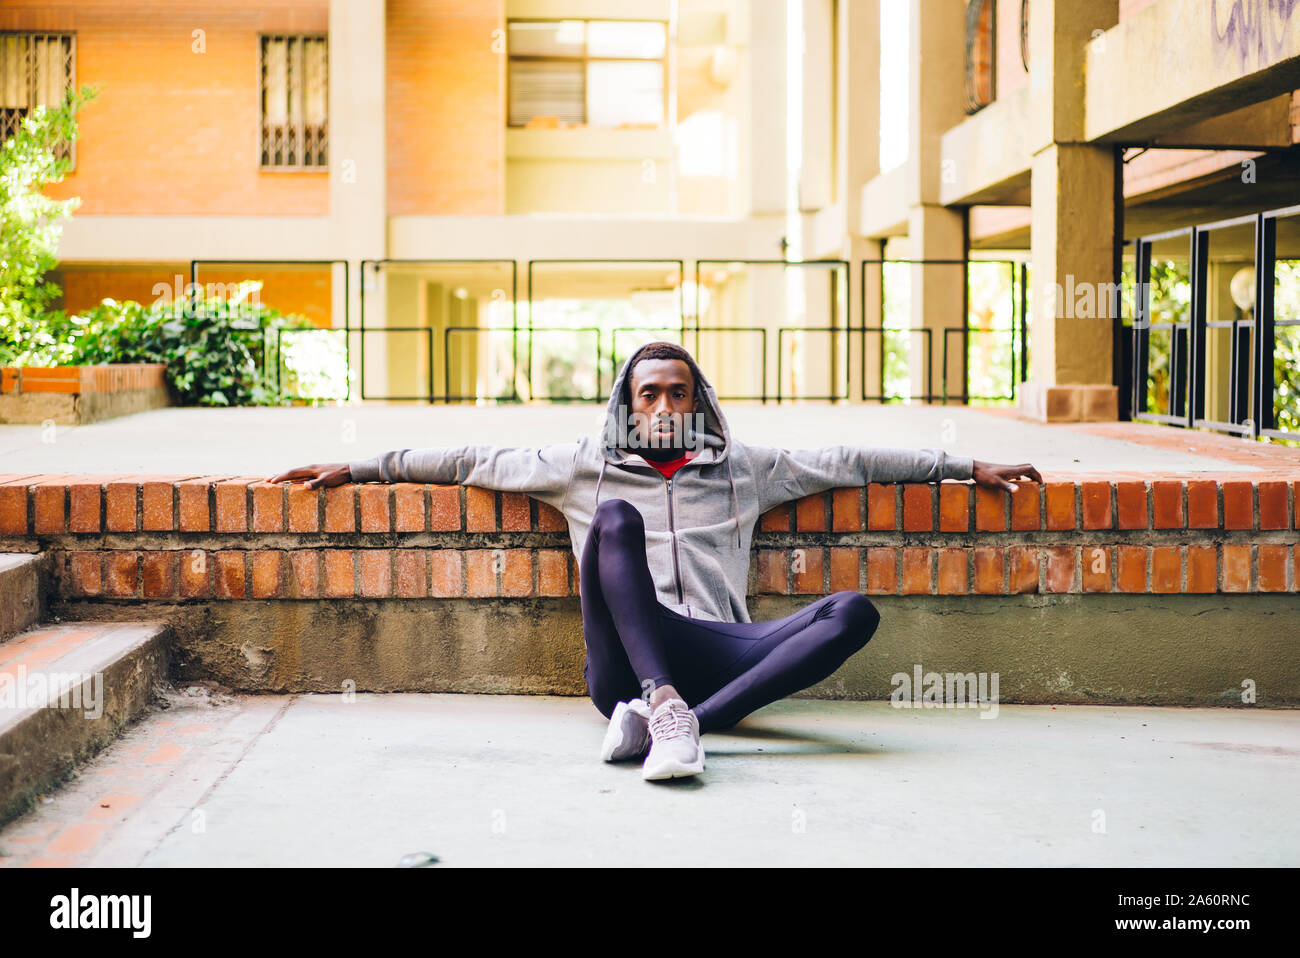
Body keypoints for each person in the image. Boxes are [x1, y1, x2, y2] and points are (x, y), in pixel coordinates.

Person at [269, 341, 1042, 782]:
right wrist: (366, 467)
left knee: (852, 611)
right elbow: (473, 457)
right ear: (629, 405)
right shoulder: (582, 466)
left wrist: (963, 465)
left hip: (720, 653)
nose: (666, 408)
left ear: (698, 403)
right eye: (651, 395)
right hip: (621, 675)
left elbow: (848, 458)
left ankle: (682, 725)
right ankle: (661, 702)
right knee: (612, 520)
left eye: (680, 394)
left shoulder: (746, 467)